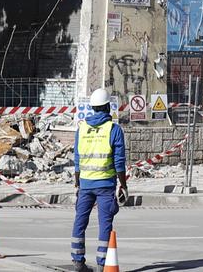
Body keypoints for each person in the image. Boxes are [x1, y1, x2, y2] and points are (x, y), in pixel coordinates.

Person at [70, 88, 127, 270]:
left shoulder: (82, 129)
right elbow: (119, 162)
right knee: (105, 224)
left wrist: (77, 183)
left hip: (85, 183)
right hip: (105, 185)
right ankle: (103, 264)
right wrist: (123, 184)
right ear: (108, 107)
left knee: (80, 221)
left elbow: (77, 160)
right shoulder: (114, 129)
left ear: (93, 108)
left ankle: (78, 261)